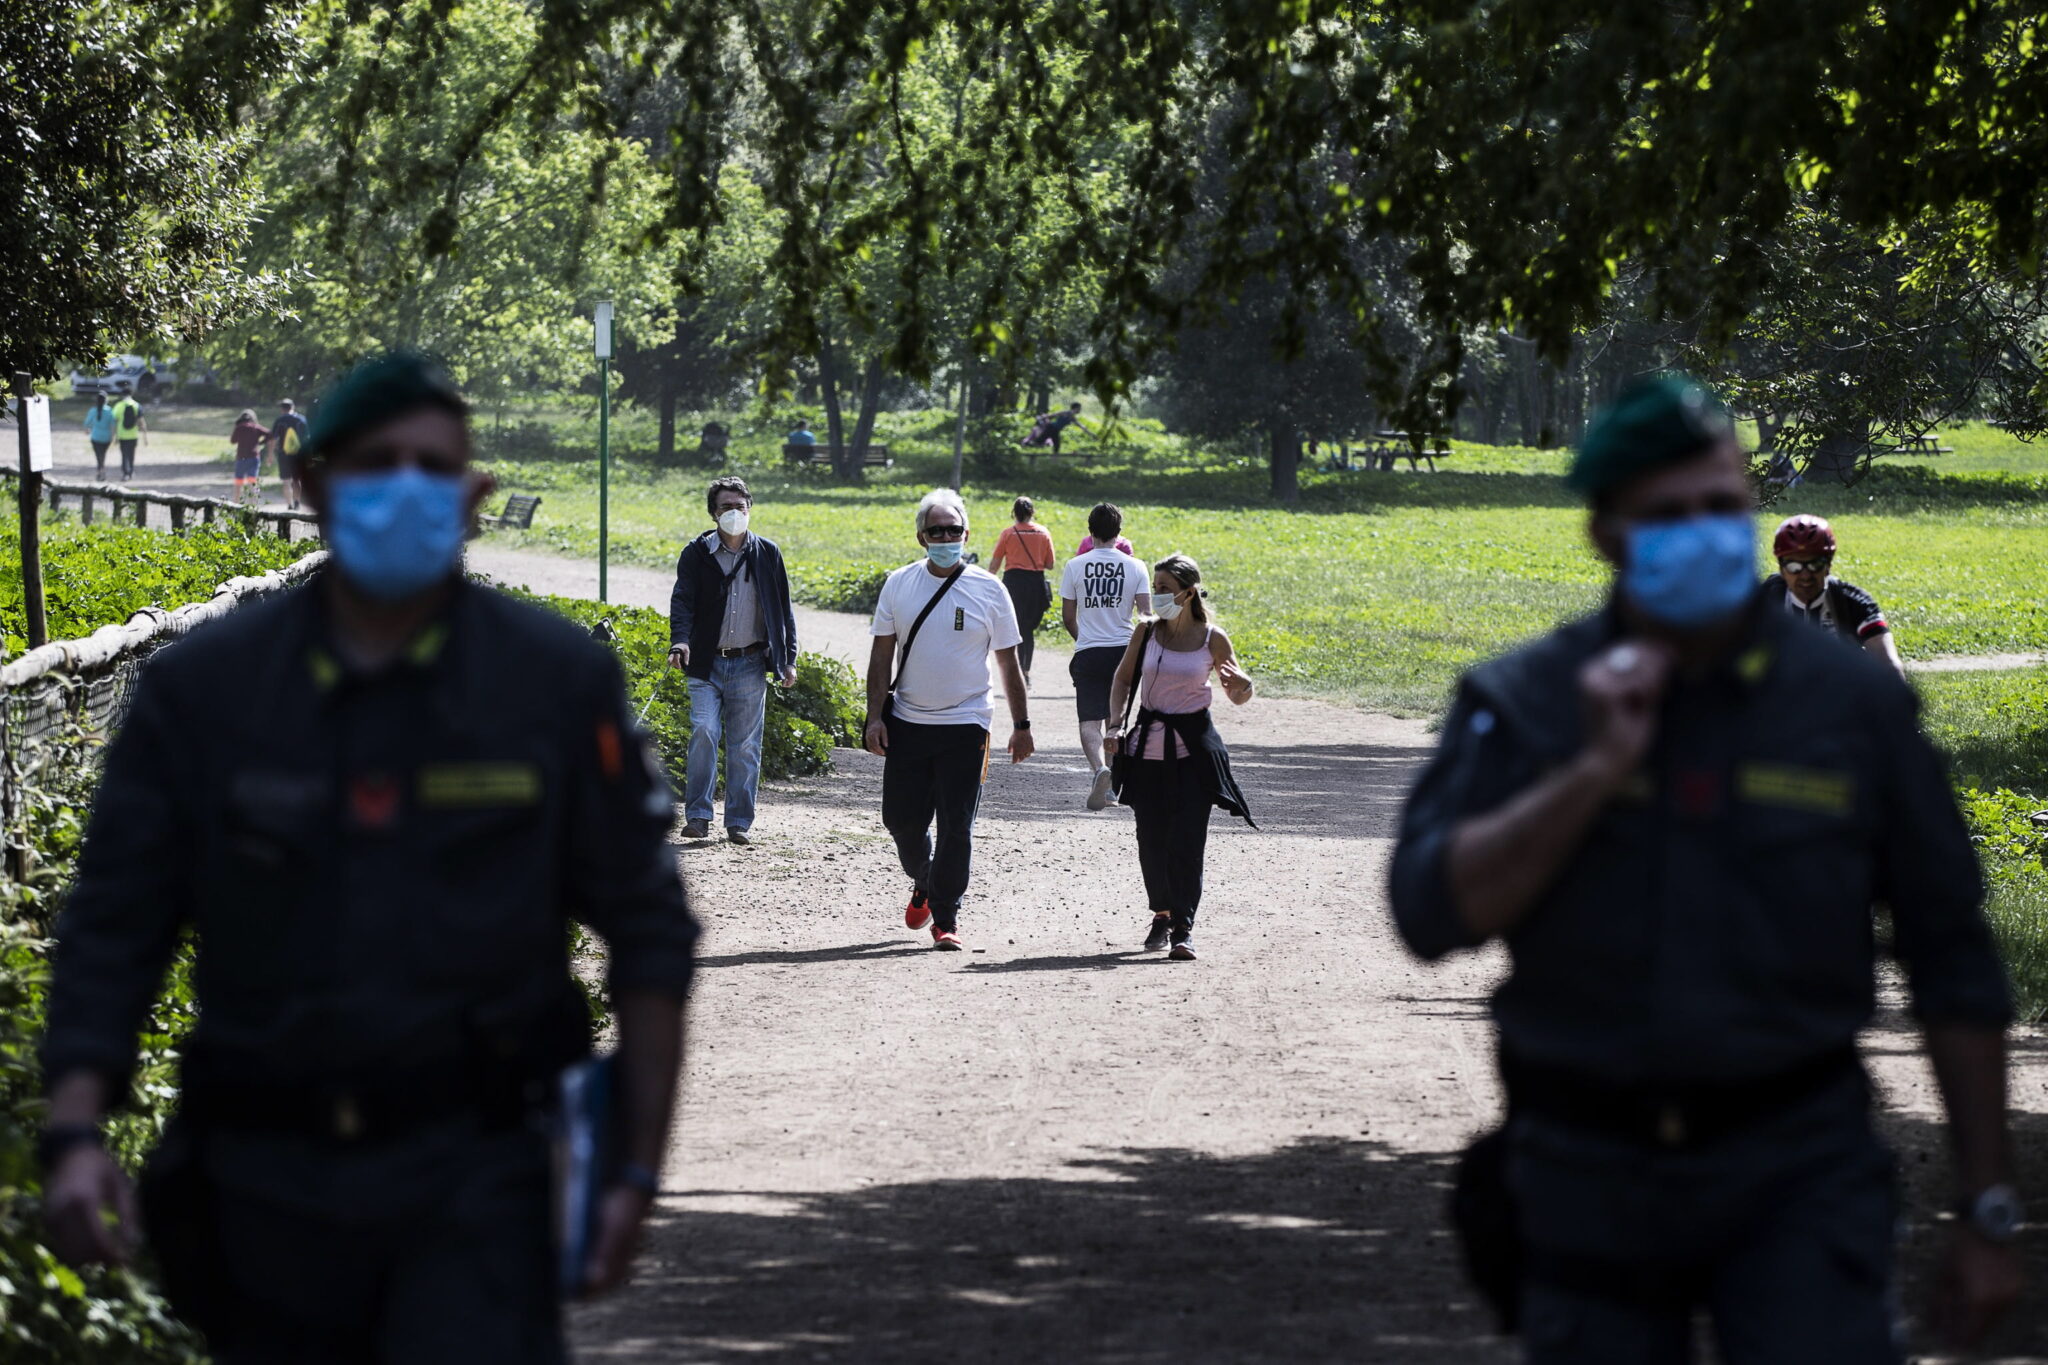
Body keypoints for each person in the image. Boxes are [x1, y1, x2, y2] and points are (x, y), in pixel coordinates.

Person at [37, 352, 699, 1363]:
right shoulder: (205, 693)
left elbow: (651, 934)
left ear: (473, 493)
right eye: (373, 463)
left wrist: (633, 1174)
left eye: (431, 468)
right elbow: (115, 924)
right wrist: (77, 1133)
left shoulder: (554, 686)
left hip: (480, 1173)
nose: (404, 489)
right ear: (312, 483)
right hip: (257, 1182)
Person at [1387, 375, 2020, 1361]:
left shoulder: (1847, 710)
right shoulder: (1528, 699)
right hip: (1584, 1173)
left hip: (1796, 1166)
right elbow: (1429, 911)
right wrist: (1590, 772)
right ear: (1604, 533)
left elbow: (1951, 958)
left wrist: (1984, 1205)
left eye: (1722, 508)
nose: (1704, 533)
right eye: (1668, 514)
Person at [864, 489, 1034, 950]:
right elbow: (881, 656)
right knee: (900, 821)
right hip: (908, 723)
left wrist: (1022, 726)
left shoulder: (990, 589)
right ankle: (927, 879)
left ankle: (945, 918)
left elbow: (1008, 662)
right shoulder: (899, 583)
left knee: (957, 825)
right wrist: (874, 717)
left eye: (953, 530)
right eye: (936, 530)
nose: (945, 537)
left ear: (966, 534)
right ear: (921, 536)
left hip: (967, 725)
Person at [1107, 554, 1254, 960]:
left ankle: (1183, 928)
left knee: (1187, 843)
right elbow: (1122, 679)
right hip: (1146, 752)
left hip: (1194, 755)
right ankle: (1162, 912)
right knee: (1151, 843)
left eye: (1164, 589)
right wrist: (1115, 724)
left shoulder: (1213, 638)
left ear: (1188, 593)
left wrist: (1245, 684)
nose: (1156, 596)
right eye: (1155, 587)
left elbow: (1237, 694)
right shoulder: (1146, 632)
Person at [666, 475, 799, 845]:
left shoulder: (768, 553)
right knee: (704, 731)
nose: (734, 514)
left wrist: (788, 658)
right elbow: (683, 602)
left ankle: (738, 821)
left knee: (744, 745)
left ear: (750, 509)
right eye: (726, 507)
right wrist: (680, 642)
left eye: (740, 507)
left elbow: (783, 609)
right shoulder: (696, 553)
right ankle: (698, 816)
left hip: (751, 663)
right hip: (706, 663)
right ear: (713, 513)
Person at [1061, 503, 1149, 809]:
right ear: (1119, 532)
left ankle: (1100, 769)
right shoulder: (1137, 567)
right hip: (1125, 651)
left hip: (1088, 650)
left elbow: (1068, 617)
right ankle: (1111, 788)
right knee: (1116, 719)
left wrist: (1083, 638)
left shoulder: (1075, 566)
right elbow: (1146, 616)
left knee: (1089, 720)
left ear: (1090, 531)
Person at [1761, 513, 1906, 678]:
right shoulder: (1765, 599)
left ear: (1828, 565)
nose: (1806, 575)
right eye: (1794, 566)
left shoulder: (1853, 602)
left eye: (1815, 564)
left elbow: (1889, 665)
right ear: (1781, 568)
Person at [987, 496, 1056, 680]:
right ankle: (1026, 669)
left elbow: (994, 565)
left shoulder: (1008, 533)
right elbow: (1050, 564)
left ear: (1014, 514)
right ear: (1032, 512)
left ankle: (1017, 670)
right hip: (1036, 584)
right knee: (1028, 630)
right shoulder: (1043, 533)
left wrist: (987, 583)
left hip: (1013, 583)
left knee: (1015, 628)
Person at [268, 398, 311, 510]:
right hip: (299, 454)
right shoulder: (301, 419)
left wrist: (270, 454)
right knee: (297, 480)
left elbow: (273, 439)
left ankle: (289, 504)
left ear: (282, 409)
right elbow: (308, 438)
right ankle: (297, 502)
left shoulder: (280, 420)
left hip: (284, 454)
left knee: (286, 480)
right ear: (293, 407)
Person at [229, 409, 270, 503]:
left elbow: (233, 441)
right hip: (253, 457)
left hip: (241, 458)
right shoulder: (256, 427)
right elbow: (269, 434)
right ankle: (253, 504)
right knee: (252, 482)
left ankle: (236, 503)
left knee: (238, 482)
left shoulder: (239, 427)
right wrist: (260, 442)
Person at [1023, 401, 1088, 454]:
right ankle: (1026, 445)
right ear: (1076, 408)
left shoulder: (1072, 417)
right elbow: (1053, 415)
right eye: (1079, 408)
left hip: (1055, 430)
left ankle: (1054, 459)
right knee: (1040, 442)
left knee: (1056, 445)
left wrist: (1087, 431)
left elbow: (1079, 425)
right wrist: (1042, 417)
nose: (1080, 410)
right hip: (1051, 428)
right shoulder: (1065, 413)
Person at [110, 389, 145, 480]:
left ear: (122, 395)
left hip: (122, 435)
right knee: (131, 454)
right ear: (131, 394)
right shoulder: (137, 405)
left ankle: (125, 473)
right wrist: (145, 437)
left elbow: (115, 421)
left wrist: (114, 436)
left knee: (124, 454)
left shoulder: (119, 406)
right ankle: (131, 471)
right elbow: (141, 422)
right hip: (133, 435)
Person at [81, 392, 117, 480]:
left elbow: (86, 424)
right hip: (106, 437)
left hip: (96, 437)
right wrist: (113, 436)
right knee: (103, 454)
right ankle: (102, 470)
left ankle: (100, 471)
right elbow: (113, 425)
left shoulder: (93, 411)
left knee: (98, 455)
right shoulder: (109, 411)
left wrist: (87, 431)